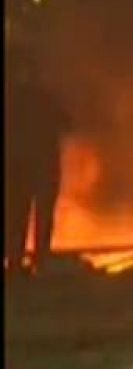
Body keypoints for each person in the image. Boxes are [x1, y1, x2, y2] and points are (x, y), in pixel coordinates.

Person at [4, 55, 70, 274]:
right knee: (39, 216)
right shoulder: (45, 98)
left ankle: (15, 260)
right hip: (41, 167)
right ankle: (39, 261)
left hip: (19, 167)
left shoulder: (12, 99)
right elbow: (68, 124)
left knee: (17, 215)